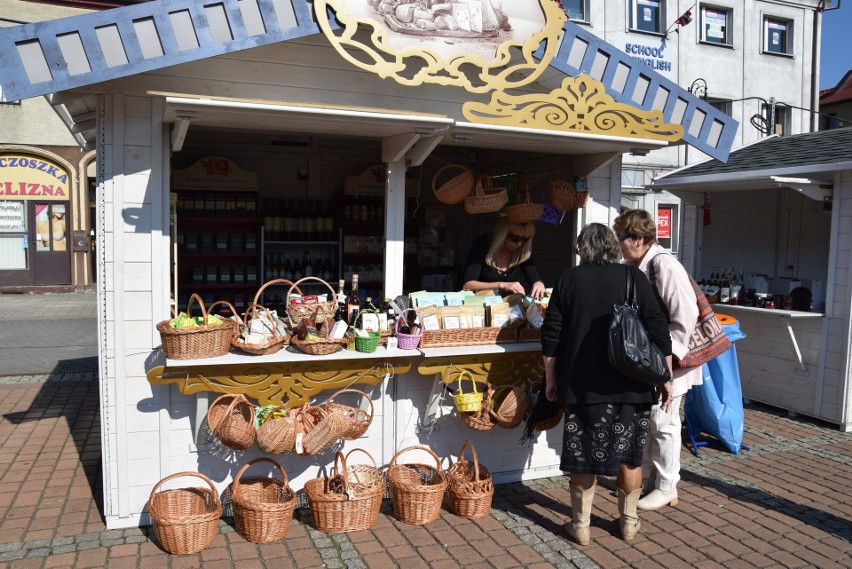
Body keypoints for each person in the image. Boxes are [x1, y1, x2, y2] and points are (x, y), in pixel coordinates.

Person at [541, 223, 673, 545]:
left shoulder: (569, 280)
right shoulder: (633, 277)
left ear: (582, 249)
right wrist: (666, 376)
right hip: (632, 382)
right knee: (629, 455)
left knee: (582, 454)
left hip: (583, 385)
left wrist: (551, 378)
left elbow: (551, 335)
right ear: (613, 247)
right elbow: (658, 327)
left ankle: (581, 526)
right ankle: (629, 523)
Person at [612, 209, 702, 512]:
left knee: (664, 422)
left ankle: (667, 487)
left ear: (638, 238)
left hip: (670, 361)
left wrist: (668, 357)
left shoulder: (663, 264)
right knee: (651, 420)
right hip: (651, 360)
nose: (619, 243)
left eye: (621, 237)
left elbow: (685, 315)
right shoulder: (640, 264)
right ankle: (649, 479)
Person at [462, 217, 546, 299]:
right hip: (480, 305)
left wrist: (538, 283)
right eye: (515, 238)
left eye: (525, 239)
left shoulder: (521, 251)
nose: (519, 244)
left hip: (506, 308)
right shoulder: (483, 243)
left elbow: (534, 278)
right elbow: (467, 285)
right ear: (502, 233)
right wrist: (502, 285)